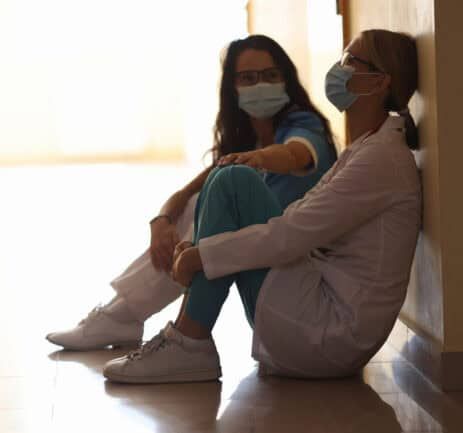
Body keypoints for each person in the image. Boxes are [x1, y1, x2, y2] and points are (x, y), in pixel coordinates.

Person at [101, 28, 422, 383]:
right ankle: (179, 336)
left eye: (349, 61)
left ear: (378, 83)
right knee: (226, 180)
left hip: (332, 336)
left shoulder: (379, 159)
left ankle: (186, 340)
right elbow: (294, 222)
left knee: (233, 181)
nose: (338, 69)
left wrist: (201, 255)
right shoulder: (369, 148)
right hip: (319, 312)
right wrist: (196, 243)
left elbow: (291, 231)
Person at [46, 35, 337, 350]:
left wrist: (261, 159)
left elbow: (297, 154)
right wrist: (161, 221)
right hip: (260, 258)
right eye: (248, 78)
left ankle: (128, 319)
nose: (260, 85)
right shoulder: (246, 141)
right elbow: (185, 194)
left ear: (286, 79)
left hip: (298, 273)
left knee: (210, 210)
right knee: (197, 203)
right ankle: (123, 316)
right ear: (233, 86)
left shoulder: (304, 126)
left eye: (270, 75)